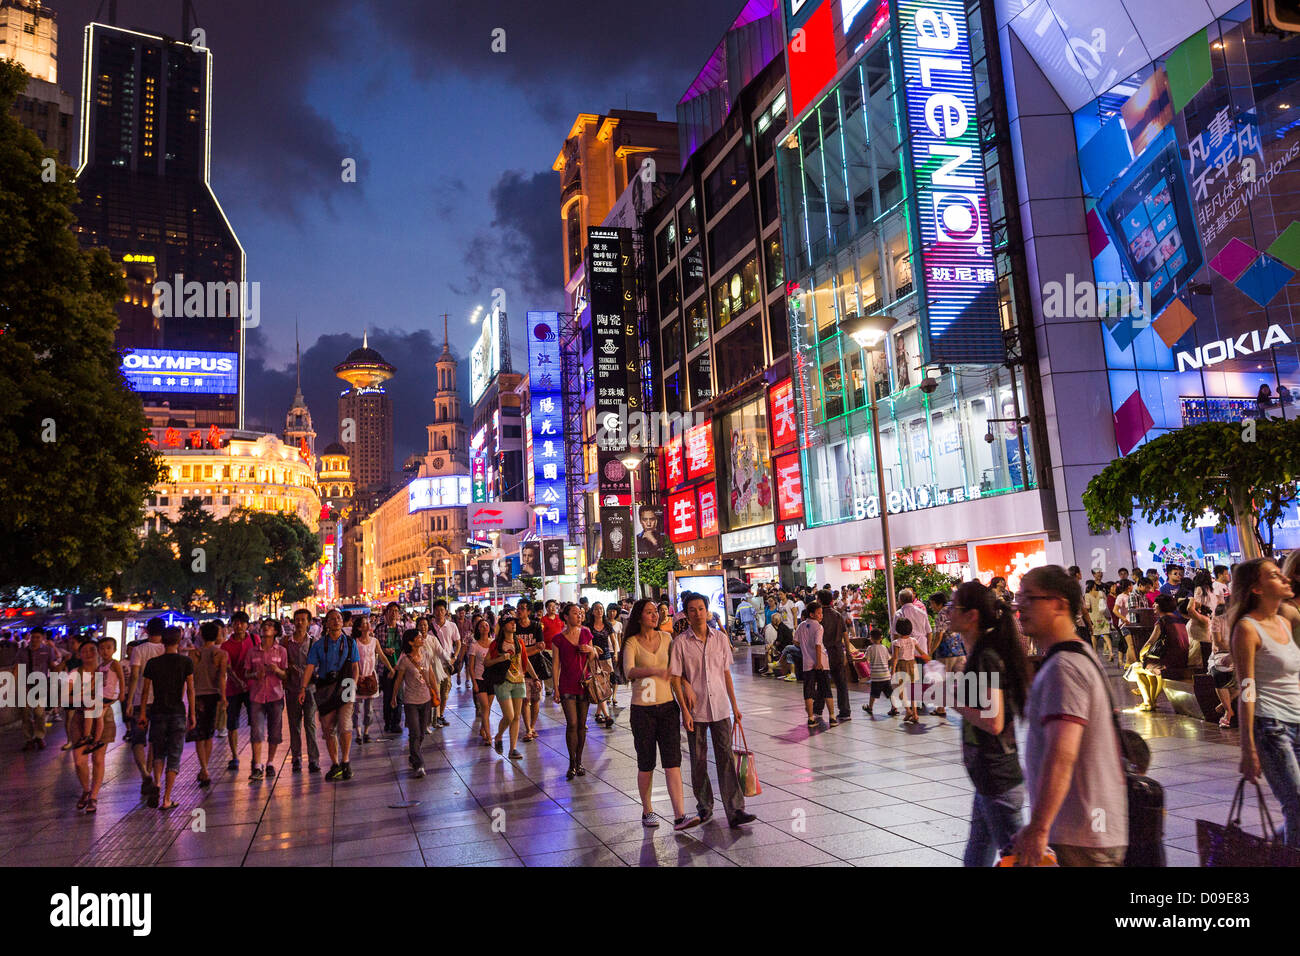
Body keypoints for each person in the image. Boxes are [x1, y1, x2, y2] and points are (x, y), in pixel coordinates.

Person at [1010, 565, 1128, 866]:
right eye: (1018, 599)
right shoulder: (1079, 654)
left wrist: (1038, 827)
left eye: (1028, 599)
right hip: (1085, 829)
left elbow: (1062, 753)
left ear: (1060, 605)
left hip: (1081, 834)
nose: (1019, 607)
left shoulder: (1064, 668)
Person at [949, 581, 1032, 867]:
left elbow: (994, 722)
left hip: (998, 779)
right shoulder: (980, 652)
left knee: (1019, 859)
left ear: (971, 616)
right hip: (988, 776)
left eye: (953, 607)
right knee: (979, 848)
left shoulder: (985, 657)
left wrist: (952, 700)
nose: (947, 612)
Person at [669, 592, 757, 829]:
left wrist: (735, 706)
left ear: (707, 611)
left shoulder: (720, 639)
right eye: (692, 610)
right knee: (698, 760)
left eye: (700, 609)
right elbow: (675, 679)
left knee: (726, 758)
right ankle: (704, 807)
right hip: (695, 711)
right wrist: (684, 711)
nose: (697, 613)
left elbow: (726, 674)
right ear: (686, 614)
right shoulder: (680, 643)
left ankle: (736, 809)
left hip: (719, 707)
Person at [1231, 558, 1300, 846]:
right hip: (1271, 727)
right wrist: (1247, 746)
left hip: (1297, 720)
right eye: (1274, 575)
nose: (1284, 579)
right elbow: (1246, 688)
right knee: (1296, 805)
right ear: (1256, 589)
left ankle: (1274, 852)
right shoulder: (1247, 629)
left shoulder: (1287, 621)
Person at [622, 598, 698, 830]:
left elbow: (675, 673)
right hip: (642, 711)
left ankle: (679, 816)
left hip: (667, 708)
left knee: (673, 762)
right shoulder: (631, 643)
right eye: (649, 612)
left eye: (656, 612)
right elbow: (628, 671)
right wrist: (654, 670)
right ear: (639, 617)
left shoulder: (667, 639)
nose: (655, 616)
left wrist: (684, 706)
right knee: (646, 763)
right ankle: (647, 811)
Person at [137, 627, 196, 811]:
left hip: (157, 711)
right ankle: (167, 798)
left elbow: (146, 690)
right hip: (177, 711)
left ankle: (157, 784)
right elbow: (191, 690)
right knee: (174, 753)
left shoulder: (152, 663)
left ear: (162, 641)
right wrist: (192, 714)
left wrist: (143, 714)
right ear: (179, 641)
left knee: (158, 751)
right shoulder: (186, 662)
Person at [301, 609, 359, 781]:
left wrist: (354, 685)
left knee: (345, 724)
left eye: (339, 618)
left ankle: (346, 760)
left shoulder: (349, 642)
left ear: (343, 622)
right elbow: (310, 667)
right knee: (327, 728)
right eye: (332, 619)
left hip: (346, 685)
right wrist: (302, 688)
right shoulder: (319, 645)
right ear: (326, 623)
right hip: (325, 688)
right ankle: (335, 764)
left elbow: (355, 666)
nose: (336, 621)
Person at [553, 602, 599, 779]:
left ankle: (579, 761)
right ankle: (571, 762)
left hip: (584, 684)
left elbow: (594, 654)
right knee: (571, 723)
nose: (579, 616)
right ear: (566, 616)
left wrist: (590, 649)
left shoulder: (586, 633)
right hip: (566, 685)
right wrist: (556, 688)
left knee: (581, 725)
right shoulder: (558, 639)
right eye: (574, 613)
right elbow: (556, 664)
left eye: (580, 613)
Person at [124, 617, 165, 791]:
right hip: (159, 701)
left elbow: (134, 676)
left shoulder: (138, 650)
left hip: (140, 701)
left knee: (138, 740)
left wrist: (129, 701)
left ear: (146, 631)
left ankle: (144, 774)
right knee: (155, 740)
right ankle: (150, 773)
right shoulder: (166, 649)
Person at [487, 615, 536, 759]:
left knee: (516, 717)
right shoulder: (496, 644)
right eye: (510, 622)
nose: (514, 624)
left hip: (519, 681)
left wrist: (535, 677)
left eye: (514, 622)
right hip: (503, 682)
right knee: (509, 715)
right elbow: (487, 662)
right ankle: (499, 736)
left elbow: (525, 662)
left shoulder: (519, 642)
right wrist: (501, 658)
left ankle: (513, 748)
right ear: (503, 626)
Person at [390, 629, 438, 777]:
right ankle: (418, 764)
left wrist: (436, 693)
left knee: (422, 732)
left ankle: (413, 755)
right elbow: (398, 680)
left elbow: (431, 675)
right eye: (418, 637)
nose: (421, 638)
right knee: (415, 733)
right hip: (411, 701)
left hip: (426, 700)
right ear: (411, 642)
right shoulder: (405, 660)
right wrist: (393, 697)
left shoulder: (426, 656)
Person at [69, 640, 110, 813]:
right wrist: (83, 700)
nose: (88, 654)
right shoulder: (74, 674)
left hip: (102, 717)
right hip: (80, 718)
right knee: (79, 761)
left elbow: (115, 693)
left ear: (98, 652)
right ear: (79, 654)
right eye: (84, 651)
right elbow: (65, 697)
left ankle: (93, 796)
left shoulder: (106, 671)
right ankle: (86, 790)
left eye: (92, 650)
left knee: (98, 759)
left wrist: (102, 705)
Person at [246, 618, 289, 780]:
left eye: (270, 626)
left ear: (276, 631)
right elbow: (246, 673)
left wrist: (277, 670)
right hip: (257, 696)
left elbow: (286, 674)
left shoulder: (281, 651)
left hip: (275, 695)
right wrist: (255, 675)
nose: (266, 629)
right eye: (264, 626)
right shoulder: (252, 651)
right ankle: (257, 765)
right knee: (256, 731)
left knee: (274, 731)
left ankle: (270, 762)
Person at [190, 621, 227, 786]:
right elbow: (221, 678)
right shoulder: (221, 654)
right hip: (214, 695)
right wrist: (224, 697)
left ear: (202, 635)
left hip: (197, 696)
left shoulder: (194, 654)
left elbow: (190, 680)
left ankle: (203, 767)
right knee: (209, 733)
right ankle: (205, 768)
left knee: (199, 734)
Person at [283, 609, 320, 773]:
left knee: (310, 724)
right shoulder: (285, 642)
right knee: (294, 724)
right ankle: (296, 758)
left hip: (310, 688)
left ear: (309, 622)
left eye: (303, 620)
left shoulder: (314, 642)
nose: (299, 623)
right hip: (292, 689)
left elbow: (319, 663)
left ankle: (313, 759)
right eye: (297, 620)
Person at [16, 627, 63, 751]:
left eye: (38, 637)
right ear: (30, 637)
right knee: (26, 714)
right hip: (25, 686)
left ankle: (39, 736)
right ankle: (29, 739)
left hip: (41, 686)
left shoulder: (47, 651)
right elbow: (16, 668)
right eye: (33, 637)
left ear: (43, 638)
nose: (35, 640)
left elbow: (53, 666)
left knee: (39, 713)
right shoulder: (22, 651)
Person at [221, 611, 257, 772]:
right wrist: (239, 682)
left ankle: (256, 755)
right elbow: (228, 668)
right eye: (235, 622)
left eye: (242, 622)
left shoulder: (255, 640)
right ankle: (234, 756)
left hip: (252, 687)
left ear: (247, 625)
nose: (239, 625)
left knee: (255, 722)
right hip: (233, 690)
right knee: (232, 724)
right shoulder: (226, 646)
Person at [351, 617, 390, 743]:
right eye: (364, 623)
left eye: (368, 622)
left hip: (371, 678)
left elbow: (382, 656)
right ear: (359, 628)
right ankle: (358, 732)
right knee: (356, 709)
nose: (368, 624)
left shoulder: (374, 641)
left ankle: (366, 732)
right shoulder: (355, 642)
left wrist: (390, 668)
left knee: (369, 709)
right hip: (358, 677)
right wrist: (357, 676)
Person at [457, 618, 495, 746]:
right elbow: (471, 667)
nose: (485, 627)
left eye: (486, 625)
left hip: (492, 679)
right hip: (480, 679)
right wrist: (474, 683)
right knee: (484, 707)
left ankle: (483, 729)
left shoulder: (494, 643)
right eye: (482, 626)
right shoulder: (474, 645)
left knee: (488, 708)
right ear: (478, 629)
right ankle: (489, 736)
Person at [816, 590, 852, 722]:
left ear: (819, 600)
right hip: (837, 652)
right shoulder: (837, 615)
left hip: (824, 652)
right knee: (841, 683)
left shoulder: (818, 616)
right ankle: (845, 711)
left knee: (822, 681)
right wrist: (848, 652)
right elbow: (845, 635)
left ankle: (818, 709)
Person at [797, 603, 834, 728]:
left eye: (821, 613)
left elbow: (795, 641)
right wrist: (818, 662)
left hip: (807, 663)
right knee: (826, 689)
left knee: (808, 691)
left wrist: (805, 648)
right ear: (812, 614)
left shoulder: (801, 626)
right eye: (818, 613)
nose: (821, 616)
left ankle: (811, 718)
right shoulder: (818, 627)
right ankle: (832, 717)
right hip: (821, 663)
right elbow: (818, 645)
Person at [931, 591, 967, 718]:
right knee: (962, 679)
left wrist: (931, 650)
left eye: (932, 604)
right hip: (960, 650)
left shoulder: (941, 614)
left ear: (938, 603)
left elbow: (939, 635)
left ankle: (941, 708)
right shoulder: (954, 610)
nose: (931, 607)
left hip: (946, 651)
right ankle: (969, 705)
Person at [426, 601, 460, 728]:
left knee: (446, 691)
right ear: (434, 611)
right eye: (437, 610)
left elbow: (458, 642)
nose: (440, 613)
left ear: (446, 611)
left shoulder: (452, 626)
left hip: (447, 664)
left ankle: (440, 715)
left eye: (442, 610)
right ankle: (435, 717)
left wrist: (454, 657)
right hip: (435, 664)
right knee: (436, 690)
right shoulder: (429, 628)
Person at [516, 602, 546, 742]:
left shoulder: (535, 626)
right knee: (524, 700)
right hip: (520, 670)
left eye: (522, 609)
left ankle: (533, 727)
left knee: (535, 700)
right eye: (518, 609)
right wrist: (531, 650)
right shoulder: (514, 626)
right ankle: (528, 729)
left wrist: (524, 652)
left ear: (528, 612)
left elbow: (541, 646)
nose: (519, 611)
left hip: (536, 668)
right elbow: (516, 651)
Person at [890, 617, 926, 723]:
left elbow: (895, 658)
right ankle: (915, 714)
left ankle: (908, 710)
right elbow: (921, 652)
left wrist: (892, 671)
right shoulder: (913, 640)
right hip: (912, 665)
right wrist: (927, 657)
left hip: (901, 666)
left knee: (899, 690)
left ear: (897, 629)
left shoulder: (897, 642)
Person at [586, 603, 615, 727]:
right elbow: (589, 643)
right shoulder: (588, 626)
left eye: (601, 608)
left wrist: (616, 653)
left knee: (606, 686)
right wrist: (593, 650)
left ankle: (598, 713)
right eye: (597, 609)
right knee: (599, 686)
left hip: (606, 658)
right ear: (592, 612)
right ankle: (607, 715)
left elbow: (614, 641)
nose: (599, 611)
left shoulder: (607, 625)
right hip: (594, 659)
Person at [377, 603, 404, 735]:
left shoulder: (401, 629)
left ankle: (396, 722)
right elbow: (374, 649)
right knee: (387, 696)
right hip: (385, 668)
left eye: (396, 611)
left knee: (398, 695)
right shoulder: (380, 629)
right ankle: (388, 721)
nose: (394, 613)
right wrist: (384, 650)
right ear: (386, 613)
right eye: (391, 611)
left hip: (399, 667)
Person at [860, 628, 895, 716]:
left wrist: (853, 659)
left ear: (870, 638)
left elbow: (864, 659)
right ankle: (894, 707)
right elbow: (889, 659)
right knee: (890, 693)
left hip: (876, 677)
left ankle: (870, 708)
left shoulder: (870, 648)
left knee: (873, 693)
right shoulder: (884, 648)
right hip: (886, 676)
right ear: (881, 638)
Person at [1085, 580, 1114, 662]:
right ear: (1094, 585)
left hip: (1093, 618)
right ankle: (1111, 652)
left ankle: (1095, 655)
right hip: (1103, 616)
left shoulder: (1087, 595)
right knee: (1106, 636)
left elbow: (1088, 607)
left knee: (1094, 637)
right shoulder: (1101, 593)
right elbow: (1106, 603)